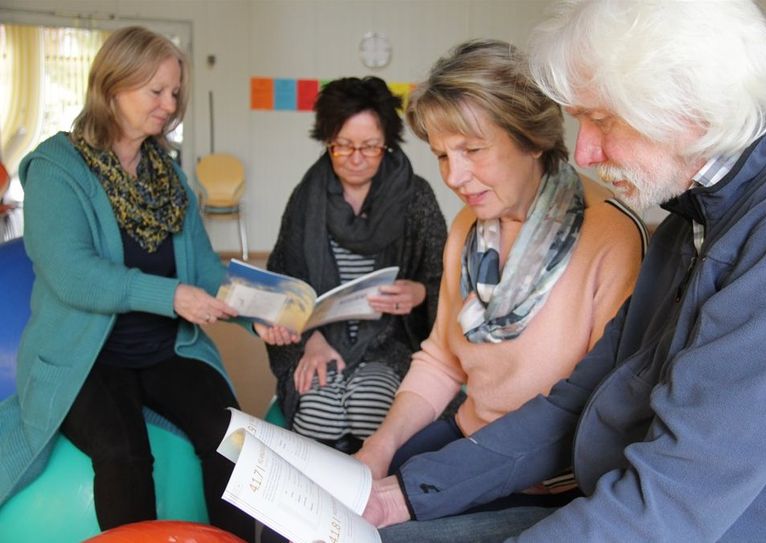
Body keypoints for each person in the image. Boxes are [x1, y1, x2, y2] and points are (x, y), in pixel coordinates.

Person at [363, 1, 766, 542]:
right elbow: (585, 394)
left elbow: (673, 498)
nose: (584, 150)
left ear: (688, 106)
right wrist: (406, 494)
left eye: (600, 119)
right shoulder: (692, 208)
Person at [355, 37, 647, 501]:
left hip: (548, 476)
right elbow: (442, 359)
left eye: (472, 150)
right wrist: (381, 445)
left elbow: (600, 405)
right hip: (469, 435)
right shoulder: (468, 225)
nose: (453, 176)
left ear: (532, 140)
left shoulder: (611, 237)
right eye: (442, 155)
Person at [0, 26, 255, 540]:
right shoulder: (57, 167)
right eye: (155, 91)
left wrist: (260, 315)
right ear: (113, 87)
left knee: (234, 440)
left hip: (163, 350)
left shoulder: (169, 176)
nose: (169, 104)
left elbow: (205, 270)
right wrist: (172, 296)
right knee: (124, 452)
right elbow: (73, 274)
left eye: (175, 92)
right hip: (83, 356)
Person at [263, 76, 446, 454]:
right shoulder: (306, 197)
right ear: (327, 140)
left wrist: (419, 293)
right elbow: (285, 282)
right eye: (343, 146)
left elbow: (446, 280)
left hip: (389, 340)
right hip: (318, 340)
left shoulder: (415, 197)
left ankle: (372, 506)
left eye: (369, 147)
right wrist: (309, 340)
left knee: (371, 407)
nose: (356, 158)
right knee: (316, 411)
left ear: (388, 142)